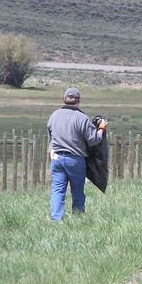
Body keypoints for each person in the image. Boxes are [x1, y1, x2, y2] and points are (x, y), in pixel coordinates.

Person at [47, 87, 107, 221]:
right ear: (78, 100)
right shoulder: (82, 118)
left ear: (64, 99)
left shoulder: (54, 115)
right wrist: (101, 128)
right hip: (74, 159)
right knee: (77, 191)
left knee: (57, 190)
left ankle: (56, 220)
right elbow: (94, 140)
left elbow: (50, 136)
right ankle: (78, 219)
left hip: (56, 158)